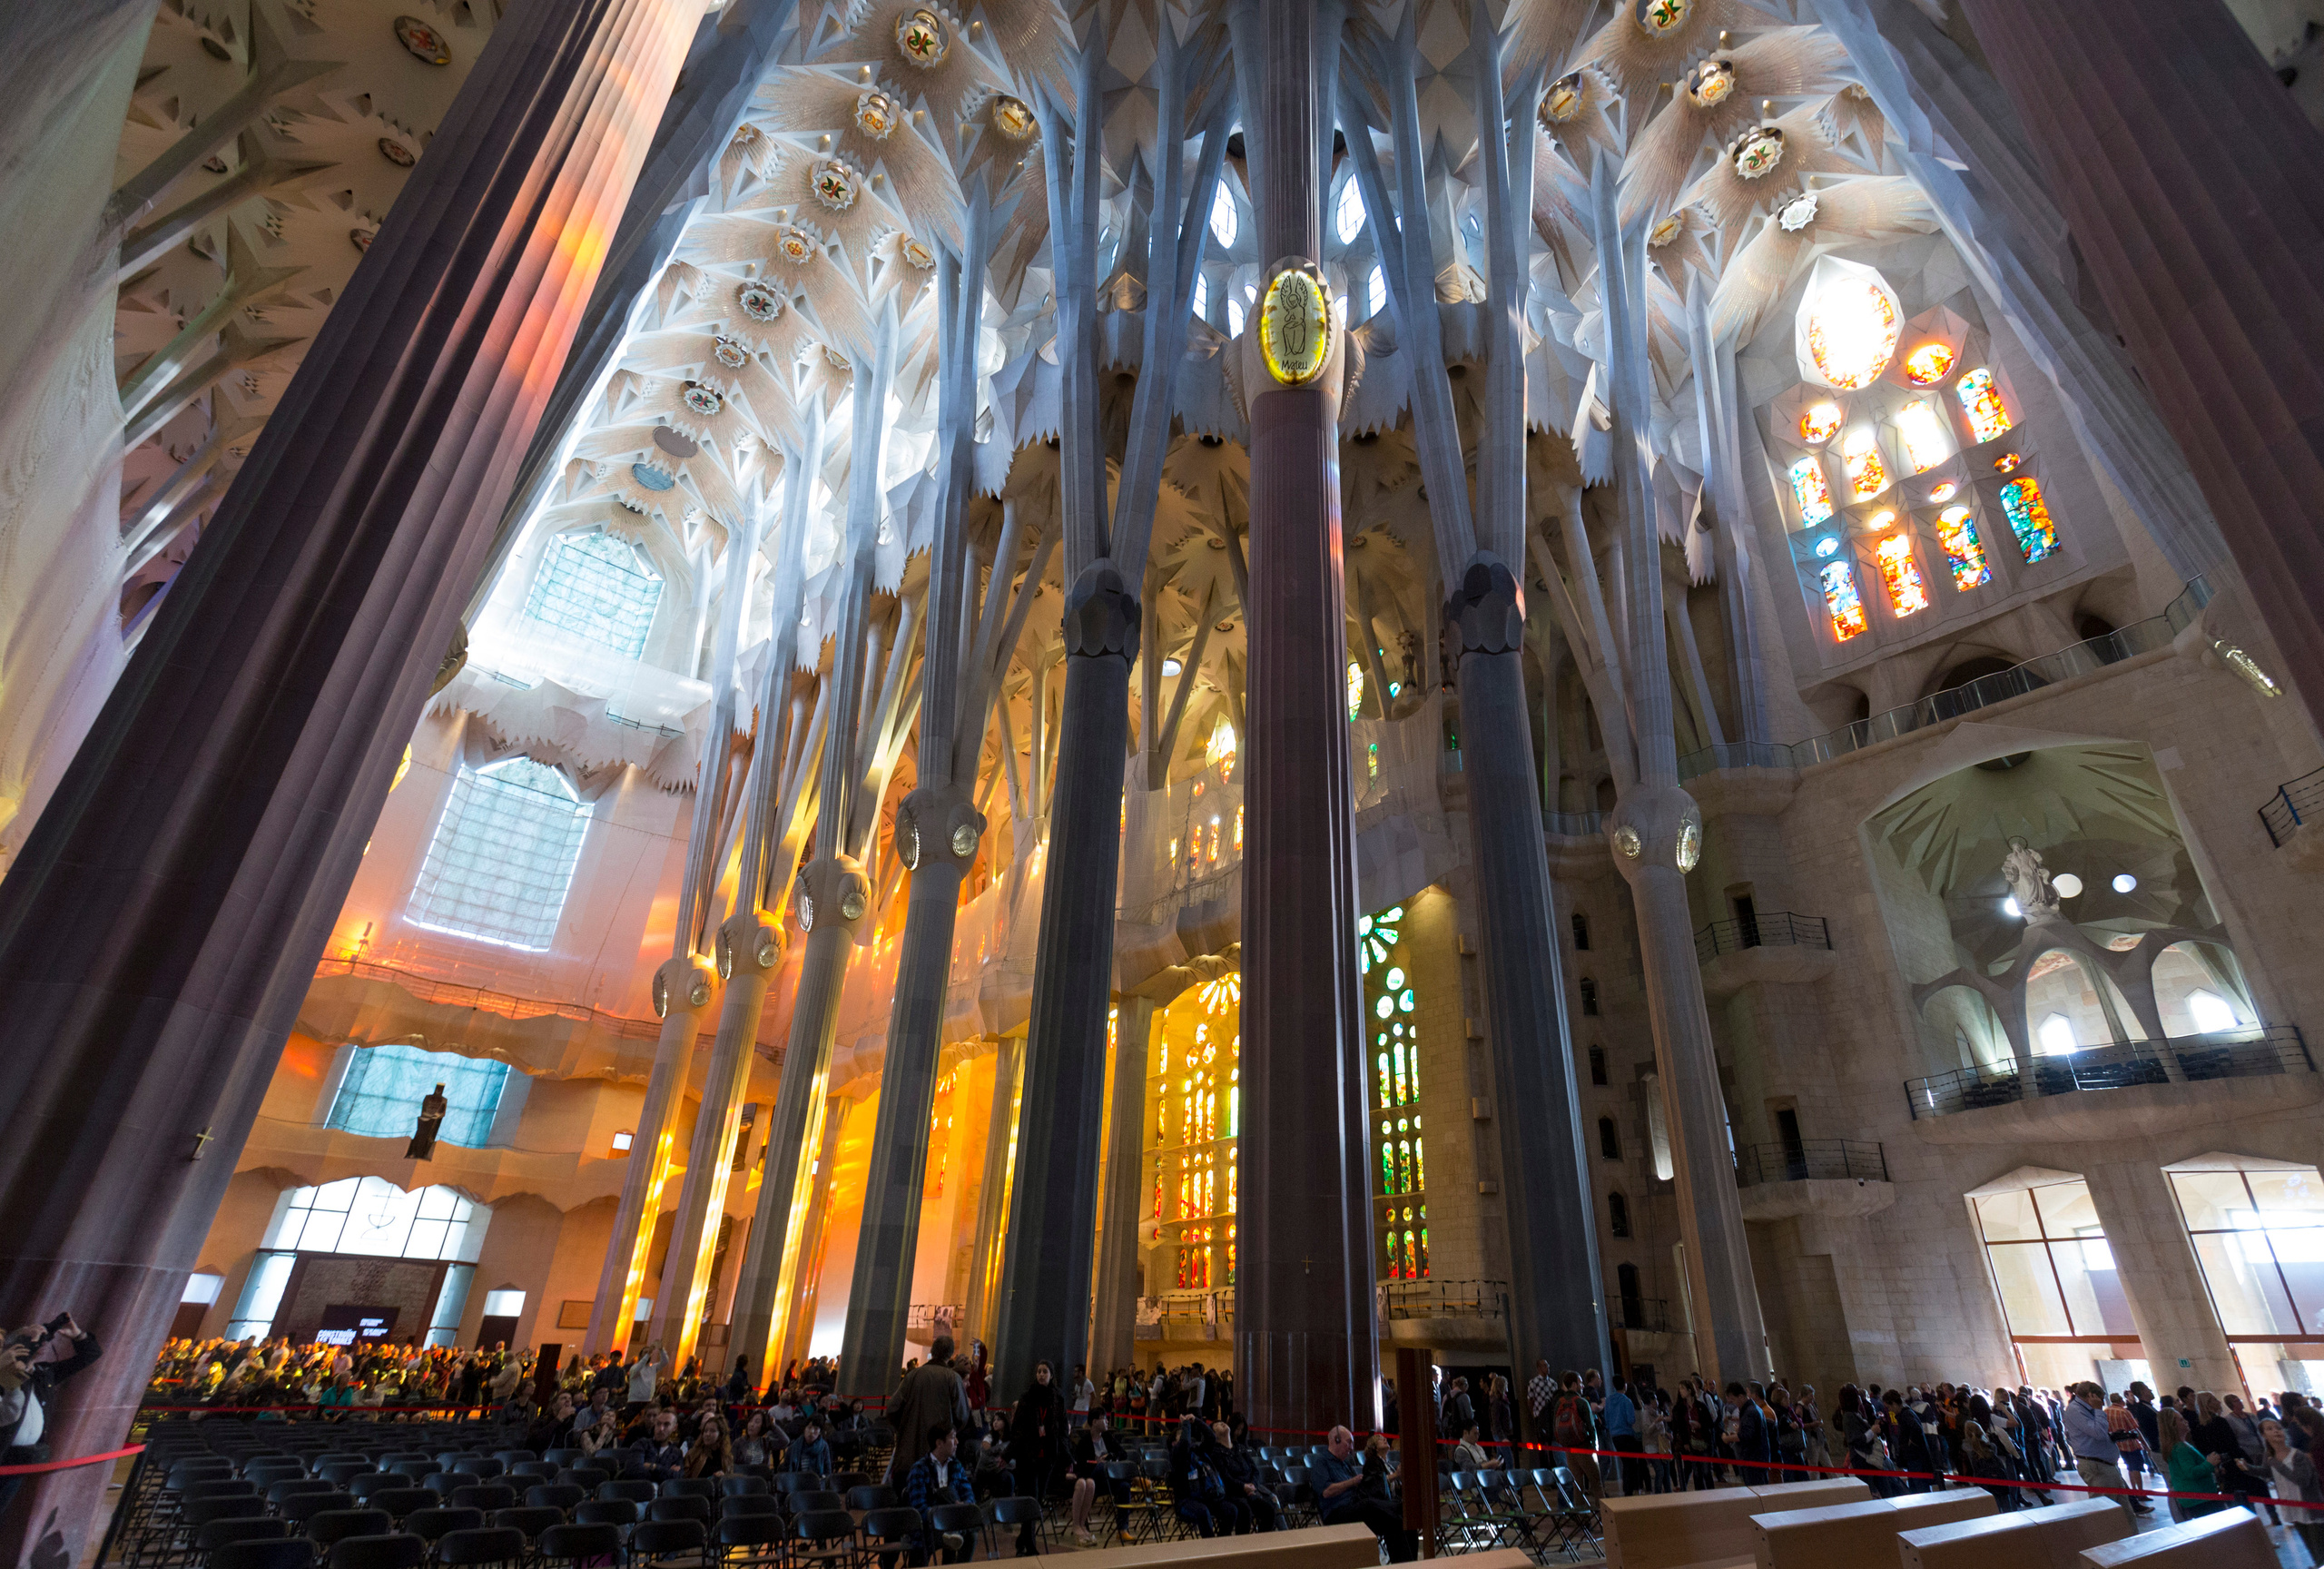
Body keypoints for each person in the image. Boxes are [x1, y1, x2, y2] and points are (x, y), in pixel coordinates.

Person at [0, 1315, 100, 1525]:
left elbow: (90, 1355)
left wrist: (78, 1335)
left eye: (45, 1341)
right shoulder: (3, 1373)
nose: (43, 1345)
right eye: (35, 1342)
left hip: (21, 1459)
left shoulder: (43, 1372)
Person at [1310, 1426, 1417, 1562]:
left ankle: (1409, 1564)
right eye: (1348, 1442)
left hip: (1356, 1508)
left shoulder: (1345, 1464)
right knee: (1370, 1504)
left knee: (1399, 1521)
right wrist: (1352, 1482)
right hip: (1337, 1513)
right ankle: (1398, 1509)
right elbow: (1326, 1492)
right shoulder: (1322, 1462)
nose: (1351, 1448)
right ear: (1335, 1440)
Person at [884, 1335, 970, 1485]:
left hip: (908, 1452)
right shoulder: (953, 1378)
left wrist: (905, 1428)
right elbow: (962, 1416)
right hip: (939, 1454)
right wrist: (948, 1434)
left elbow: (892, 1408)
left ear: (932, 1350)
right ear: (950, 1355)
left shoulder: (913, 1375)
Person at [2065, 1382, 2150, 1517]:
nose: (2103, 1402)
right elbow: (2097, 1432)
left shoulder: (2087, 1408)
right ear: (2090, 1396)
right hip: (2096, 1466)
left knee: (2125, 1511)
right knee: (2108, 1513)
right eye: (2101, 1398)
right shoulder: (2075, 1410)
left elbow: (2095, 1435)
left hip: (2106, 1465)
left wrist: (2112, 1436)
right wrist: (2098, 1410)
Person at [901, 1423, 977, 1566]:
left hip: (953, 1522)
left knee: (972, 1532)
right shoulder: (919, 1469)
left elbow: (969, 1495)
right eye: (953, 1438)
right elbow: (919, 1508)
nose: (957, 1442)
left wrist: (965, 1506)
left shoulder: (956, 1465)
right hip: (929, 1526)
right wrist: (944, 1516)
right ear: (939, 1443)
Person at [2262, 1418, 2323, 1558]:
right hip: (2291, 1504)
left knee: (2319, 1546)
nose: (2276, 1431)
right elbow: (2266, 1472)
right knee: (2310, 1546)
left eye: (2277, 1427)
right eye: (2270, 1429)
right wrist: (2248, 1468)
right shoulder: (2269, 1455)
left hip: (2309, 1505)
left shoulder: (2297, 1455)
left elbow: (2301, 1480)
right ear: (2264, 1435)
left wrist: (2277, 1464)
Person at [1011, 1361, 1069, 1504]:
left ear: (1051, 1375)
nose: (1041, 1375)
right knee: (1031, 1494)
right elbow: (1018, 1428)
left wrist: (1067, 1455)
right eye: (1039, 1372)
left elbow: (1062, 1429)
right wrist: (1009, 1453)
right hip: (1029, 1453)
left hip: (1048, 1453)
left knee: (1040, 1495)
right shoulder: (1027, 1397)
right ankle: (1028, 1525)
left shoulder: (1057, 1398)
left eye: (1045, 1372)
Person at [1067, 1413, 1128, 1544]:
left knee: (1124, 1487)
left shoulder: (1108, 1437)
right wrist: (1096, 1462)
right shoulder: (1084, 1442)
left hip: (1108, 1479)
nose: (1107, 1421)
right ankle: (1134, 1478)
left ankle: (1122, 1529)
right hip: (1092, 1477)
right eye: (1103, 1419)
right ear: (1094, 1422)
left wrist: (1110, 1456)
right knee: (1101, 1468)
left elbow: (1123, 1454)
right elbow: (1081, 1465)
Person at [1211, 1420, 1279, 1531]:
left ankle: (1262, 1544)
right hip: (1233, 1493)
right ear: (1215, 1434)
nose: (1222, 1424)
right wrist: (1243, 1487)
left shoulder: (1239, 1448)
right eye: (1217, 1425)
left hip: (1249, 1491)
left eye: (1222, 1422)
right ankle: (1244, 1546)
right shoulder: (1216, 1452)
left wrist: (1253, 1485)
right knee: (1245, 1511)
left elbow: (1255, 1470)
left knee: (1269, 1510)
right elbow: (1225, 1477)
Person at [405, 1082, 448, 1159]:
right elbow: (424, 1107)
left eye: (440, 1089)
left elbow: (442, 1112)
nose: (438, 1090)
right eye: (438, 1088)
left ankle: (422, 1154)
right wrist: (426, 1115)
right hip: (424, 1119)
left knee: (428, 1137)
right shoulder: (428, 1097)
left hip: (433, 1120)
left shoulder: (444, 1099)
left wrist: (436, 1116)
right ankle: (413, 1152)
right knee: (419, 1135)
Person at [785, 1413, 833, 1477]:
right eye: (809, 1427)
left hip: (818, 1483)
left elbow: (828, 1472)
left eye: (816, 1429)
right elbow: (787, 1472)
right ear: (804, 1429)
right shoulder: (794, 1447)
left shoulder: (824, 1447)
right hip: (797, 1483)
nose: (812, 1431)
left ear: (820, 1432)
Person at [685, 1412, 734, 1477]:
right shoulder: (693, 1454)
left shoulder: (727, 1457)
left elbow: (730, 1479)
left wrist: (723, 1477)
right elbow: (685, 1478)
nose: (707, 1434)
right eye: (705, 1431)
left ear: (721, 1435)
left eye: (712, 1431)